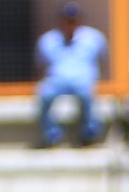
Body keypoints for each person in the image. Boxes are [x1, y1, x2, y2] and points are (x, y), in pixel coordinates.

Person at [34, 2, 105, 148]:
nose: (70, 23)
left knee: (87, 94)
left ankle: (89, 134)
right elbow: (40, 66)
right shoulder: (47, 40)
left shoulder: (94, 38)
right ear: (60, 21)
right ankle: (52, 136)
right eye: (67, 19)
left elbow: (103, 60)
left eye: (74, 19)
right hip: (56, 82)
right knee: (44, 93)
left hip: (83, 81)